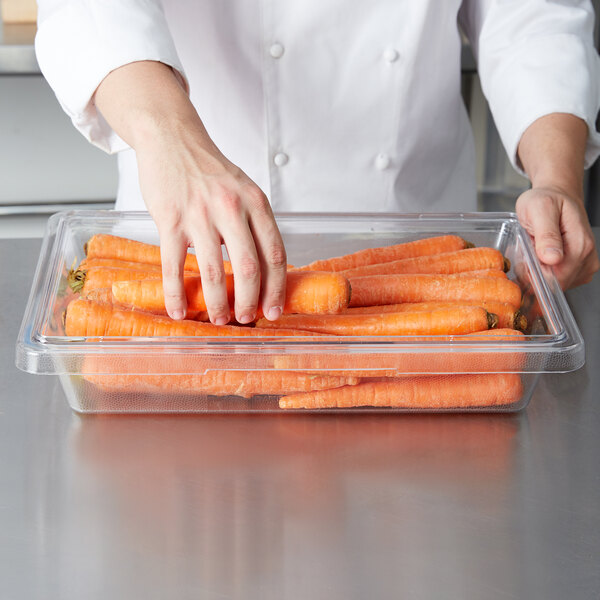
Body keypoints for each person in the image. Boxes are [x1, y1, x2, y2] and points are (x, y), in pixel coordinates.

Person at [35, 1, 600, 324]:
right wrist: (172, 141)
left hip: (428, 293)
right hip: (179, 273)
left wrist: (556, 178)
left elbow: (531, 15)